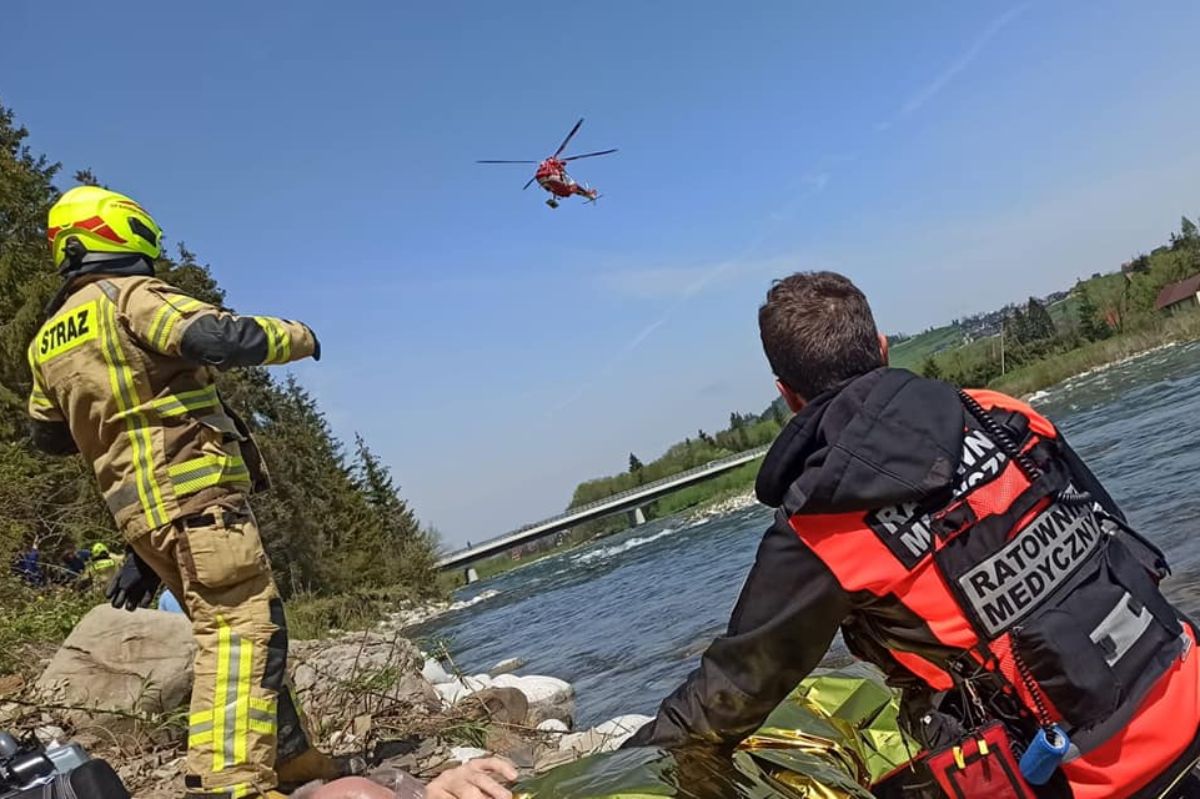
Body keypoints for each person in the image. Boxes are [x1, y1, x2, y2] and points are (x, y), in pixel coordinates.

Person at [626, 271, 1200, 798]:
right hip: (1188, 691)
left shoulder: (823, 525)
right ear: (882, 349)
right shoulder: (1005, 414)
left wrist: (620, 770)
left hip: (1082, 779)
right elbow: (1111, 532)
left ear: (788, 395)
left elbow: (728, 695)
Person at [26, 186, 331, 799]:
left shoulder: (45, 343)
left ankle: (291, 758)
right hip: (197, 499)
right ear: (122, 232)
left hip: (141, 518)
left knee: (230, 634)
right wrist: (299, 335)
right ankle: (229, 782)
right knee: (245, 629)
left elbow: (48, 436)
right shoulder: (130, 297)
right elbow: (210, 337)